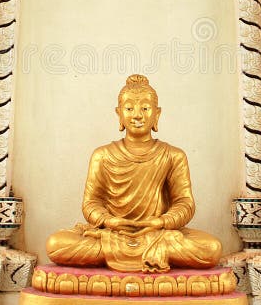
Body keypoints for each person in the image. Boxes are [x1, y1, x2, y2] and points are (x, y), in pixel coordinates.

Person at [46, 74, 222, 273]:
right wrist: (108, 221)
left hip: (158, 234)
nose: (137, 115)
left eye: (145, 108)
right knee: (56, 244)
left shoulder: (173, 156)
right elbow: (90, 203)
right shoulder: (103, 155)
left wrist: (160, 221)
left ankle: (149, 251)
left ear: (157, 114)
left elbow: (185, 203)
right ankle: (147, 255)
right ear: (119, 114)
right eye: (129, 108)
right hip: (112, 234)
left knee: (211, 248)